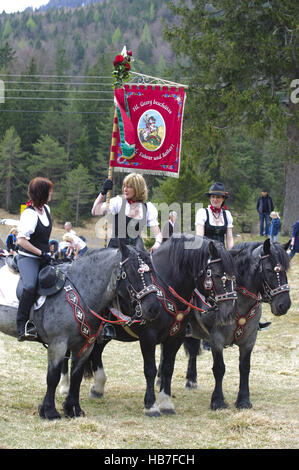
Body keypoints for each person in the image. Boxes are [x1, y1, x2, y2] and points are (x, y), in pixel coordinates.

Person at [16, 177, 53, 341]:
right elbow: (21, 240)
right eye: (49, 191)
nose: (51, 193)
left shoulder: (47, 210)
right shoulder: (29, 214)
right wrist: (39, 252)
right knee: (30, 286)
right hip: (28, 258)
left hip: (44, 257)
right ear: (42, 193)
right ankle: (22, 325)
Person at [92, 172, 162, 252]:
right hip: (114, 251)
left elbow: (158, 234)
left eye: (129, 187)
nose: (125, 189)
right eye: (124, 186)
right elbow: (95, 211)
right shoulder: (118, 202)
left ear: (138, 189)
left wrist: (157, 244)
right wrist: (103, 192)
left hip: (136, 251)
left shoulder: (148, 208)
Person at [195, 182, 234, 250]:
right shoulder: (202, 213)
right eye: (213, 197)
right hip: (206, 252)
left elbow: (229, 238)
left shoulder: (227, 214)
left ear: (223, 199)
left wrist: (232, 253)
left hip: (222, 253)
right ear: (210, 198)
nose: (215, 200)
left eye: (218, 197)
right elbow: (199, 238)